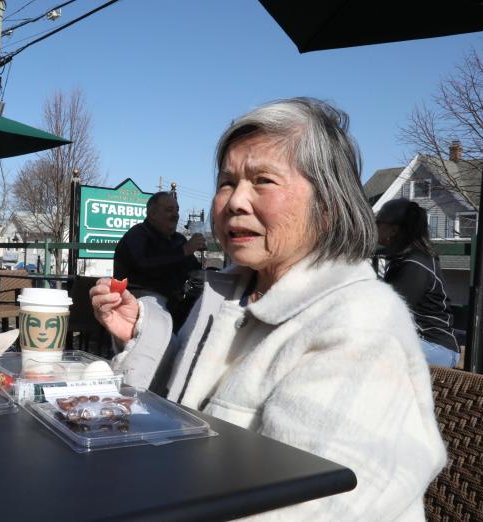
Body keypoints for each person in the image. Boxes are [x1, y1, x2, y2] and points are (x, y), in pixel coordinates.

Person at [91, 98, 444, 519]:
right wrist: (141, 333)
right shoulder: (234, 293)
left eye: (263, 181)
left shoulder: (358, 323)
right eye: (227, 182)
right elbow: (182, 409)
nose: (235, 201)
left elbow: (301, 506)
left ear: (327, 206)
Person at [376, 198, 461, 367]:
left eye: (378, 222)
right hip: (424, 343)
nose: (374, 226)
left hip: (438, 348)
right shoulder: (407, 259)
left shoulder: (415, 265)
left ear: (393, 229)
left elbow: (387, 314)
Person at [112, 192, 206, 328]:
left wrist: (208, 274)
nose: (176, 215)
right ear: (152, 214)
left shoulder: (178, 239)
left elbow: (193, 271)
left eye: (177, 210)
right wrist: (184, 251)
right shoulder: (137, 235)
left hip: (174, 304)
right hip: (139, 302)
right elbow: (144, 264)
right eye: (169, 210)